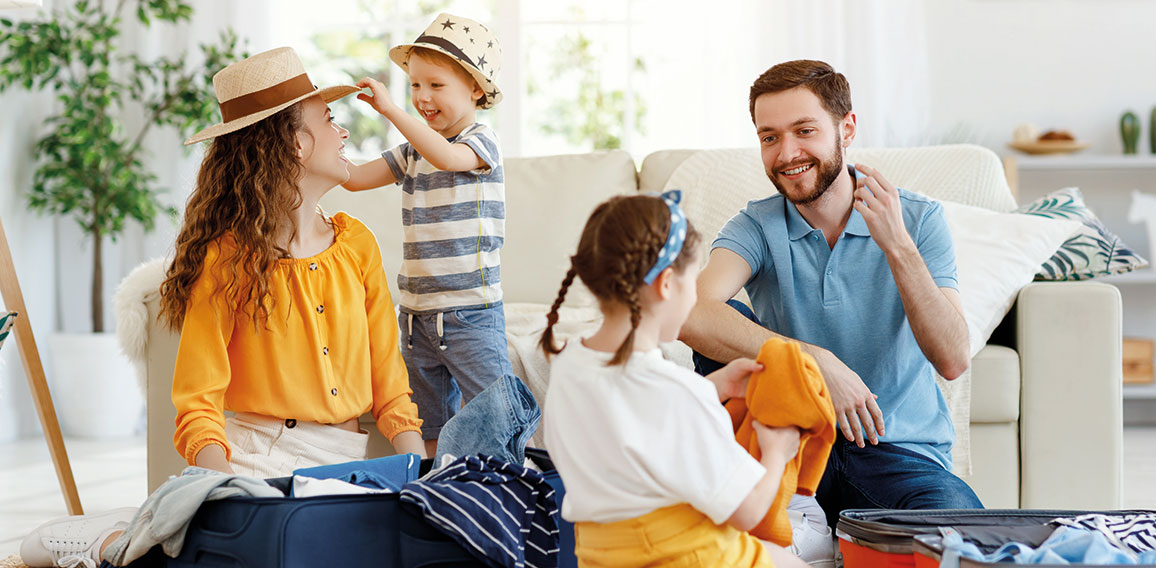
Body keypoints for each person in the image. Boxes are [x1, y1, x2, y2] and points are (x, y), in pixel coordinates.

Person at [20, 46, 425, 568]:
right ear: (297, 144)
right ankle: (109, 541)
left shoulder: (358, 246)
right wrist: (221, 486)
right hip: (250, 462)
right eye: (330, 120)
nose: (344, 133)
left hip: (341, 467)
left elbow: (391, 386)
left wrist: (417, 474)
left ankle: (142, 528)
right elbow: (197, 400)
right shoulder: (228, 259)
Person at [679, 59, 983, 532]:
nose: (787, 153)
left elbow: (953, 358)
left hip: (897, 455)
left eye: (804, 130)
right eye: (770, 137)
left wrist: (898, 247)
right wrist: (815, 363)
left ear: (847, 128)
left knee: (967, 537)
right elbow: (689, 312)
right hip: (791, 448)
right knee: (725, 315)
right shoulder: (756, 226)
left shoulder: (918, 220)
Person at [540, 192, 808, 568]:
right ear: (666, 283)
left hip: (602, 556)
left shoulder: (568, 364)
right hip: (685, 557)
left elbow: (631, 415)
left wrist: (711, 387)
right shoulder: (676, 395)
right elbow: (746, 511)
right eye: (692, 280)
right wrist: (778, 454)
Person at [342, 13, 511, 459]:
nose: (422, 97)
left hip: (470, 312)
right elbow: (356, 178)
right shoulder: (414, 149)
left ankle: (512, 491)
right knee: (428, 423)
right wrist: (315, 144)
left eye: (436, 85)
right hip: (416, 318)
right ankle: (435, 492)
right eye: (415, 86)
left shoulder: (480, 141)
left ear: (475, 88)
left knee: (499, 418)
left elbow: (446, 156)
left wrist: (390, 111)